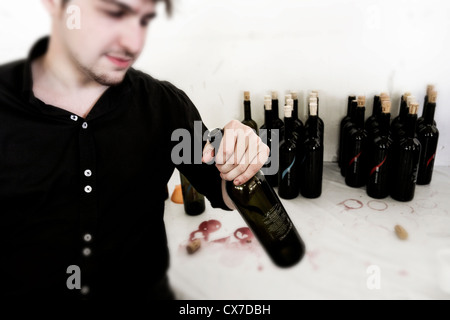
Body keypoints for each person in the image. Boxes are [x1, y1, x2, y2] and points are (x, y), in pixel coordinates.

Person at [0, 0, 269, 301]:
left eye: (142, 19)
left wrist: (242, 158)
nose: (133, 42)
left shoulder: (164, 104)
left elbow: (221, 188)